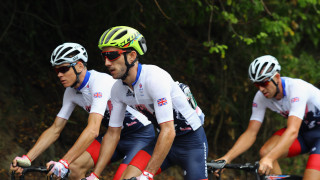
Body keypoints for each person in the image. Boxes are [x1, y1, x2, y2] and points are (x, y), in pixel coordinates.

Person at [10, 42, 155, 180]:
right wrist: (27, 158)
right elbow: (55, 129)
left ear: (79, 66)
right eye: (56, 70)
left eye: (63, 69)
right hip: (114, 135)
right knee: (74, 169)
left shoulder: (99, 83)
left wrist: (63, 162)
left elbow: (93, 130)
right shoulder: (70, 92)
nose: (59, 74)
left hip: (141, 136)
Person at [84, 26, 208, 180]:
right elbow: (112, 134)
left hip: (191, 143)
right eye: (104, 56)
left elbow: (169, 131)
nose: (107, 62)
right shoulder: (117, 90)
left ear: (132, 56)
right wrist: (95, 175)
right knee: (126, 178)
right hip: (162, 141)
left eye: (112, 55)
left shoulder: (154, 78)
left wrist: (147, 174)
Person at [215, 55, 320, 179]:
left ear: (276, 77)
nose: (261, 89)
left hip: (307, 132)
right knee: (265, 151)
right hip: (304, 132)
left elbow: (292, 131)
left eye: (264, 83)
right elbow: (250, 133)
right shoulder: (261, 97)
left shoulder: (296, 89)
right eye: (256, 84)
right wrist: (227, 158)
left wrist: (269, 159)